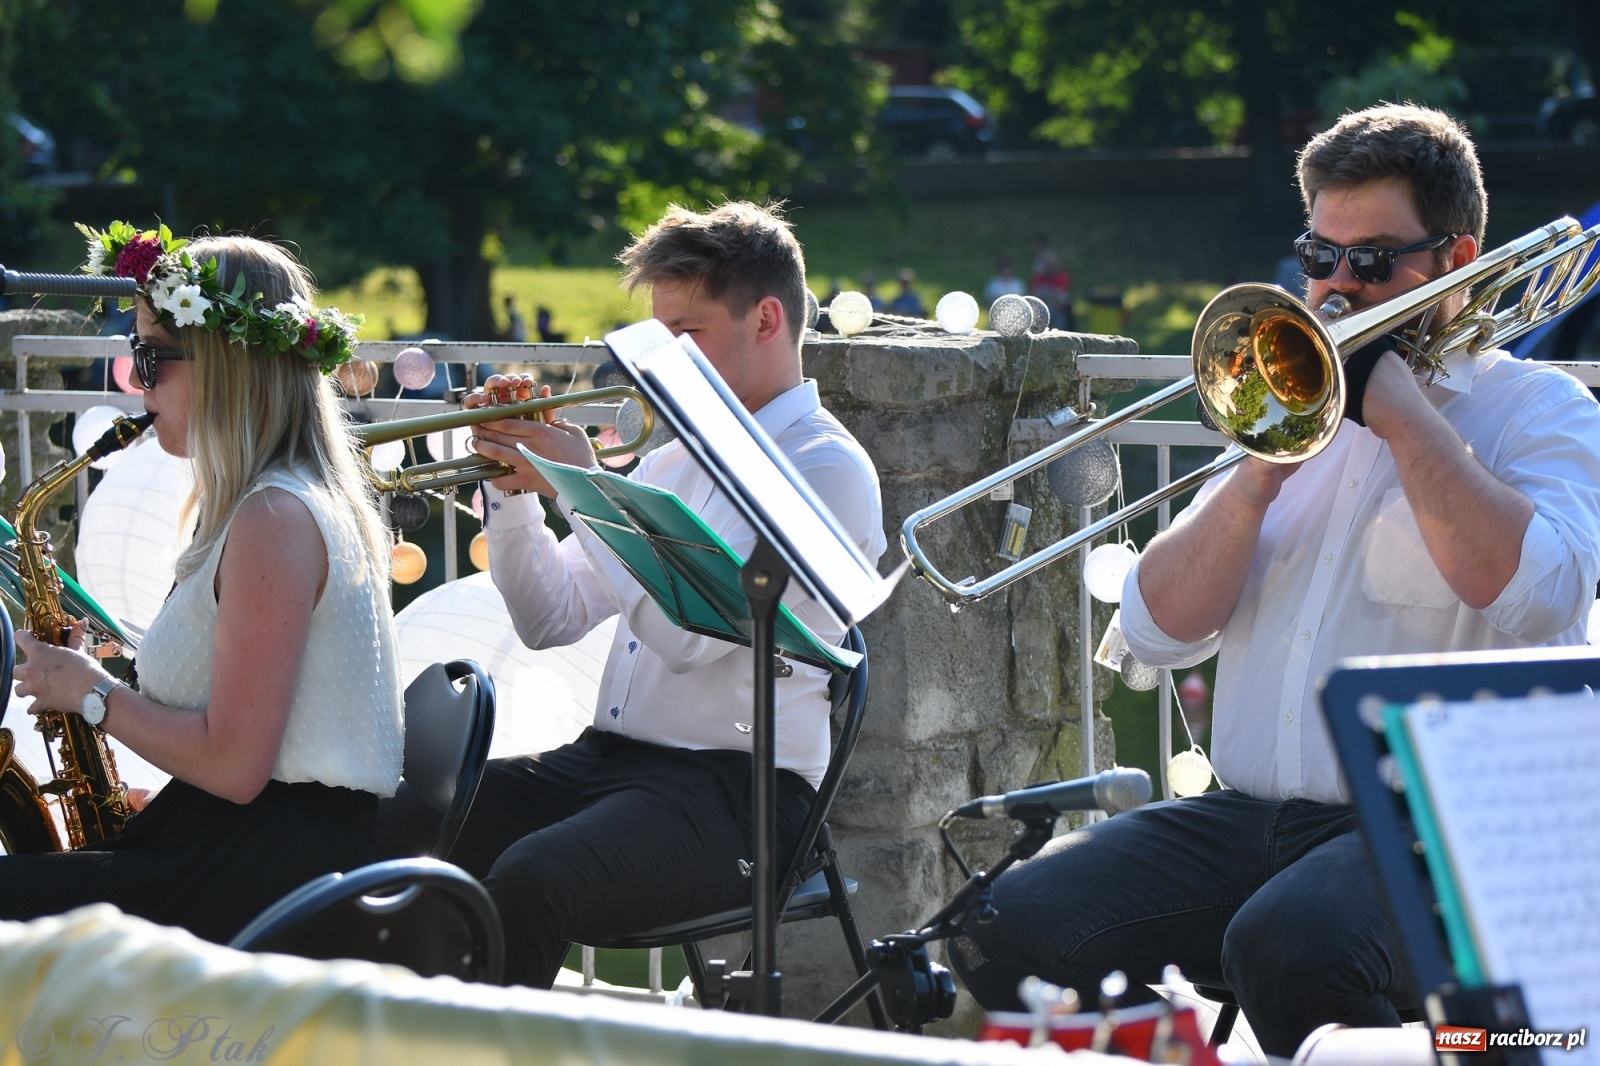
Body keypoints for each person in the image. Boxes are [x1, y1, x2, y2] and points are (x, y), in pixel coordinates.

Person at [949, 104, 1600, 1056]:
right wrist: (1260, 467)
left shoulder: (1537, 411)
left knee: (1292, 947)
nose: (1338, 289)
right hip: (1246, 816)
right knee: (1001, 921)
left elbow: (1541, 594)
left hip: (1439, 830)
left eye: (1373, 262)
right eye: (1320, 256)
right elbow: (1160, 630)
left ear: (1456, 262)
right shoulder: (1283, 405)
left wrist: (1400, 411)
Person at [374, 200, 886, 989]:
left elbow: (691, 637)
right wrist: (510, 490)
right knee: (392, 822)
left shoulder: (826, 469)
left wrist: (582, 487)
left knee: (532, 878)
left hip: (741, 794)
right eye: (658, 340)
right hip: (610, 761)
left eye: (687, 337)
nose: (664, 365)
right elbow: (551, 617)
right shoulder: (676, 458)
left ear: (767, 319)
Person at [0, 223, 404, 944]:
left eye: (152, 358)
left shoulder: (275, 516)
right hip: (235, 849)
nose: (135, 381)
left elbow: (237, 766)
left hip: (260, 886)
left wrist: (90, 693)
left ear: (226, 363)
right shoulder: (269, 501)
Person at [1029, 250, 1073, 330]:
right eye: (1048, 265)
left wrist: (1046, 296)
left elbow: (1062, 297)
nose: (1050, 268)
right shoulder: (1038, 278)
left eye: (1052, 265)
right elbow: (1034, 296)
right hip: (1041, 311)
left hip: (1058, 311)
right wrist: (1053, 296)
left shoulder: (1062, 278)